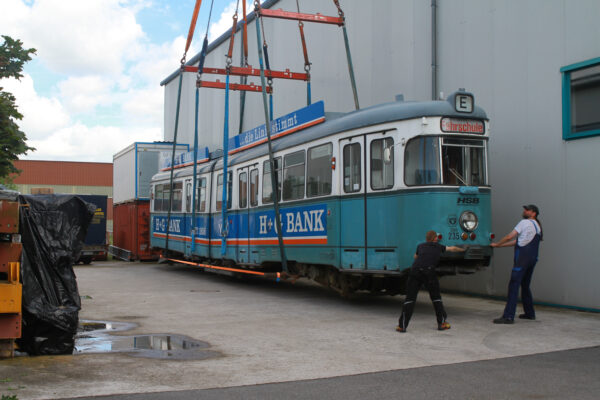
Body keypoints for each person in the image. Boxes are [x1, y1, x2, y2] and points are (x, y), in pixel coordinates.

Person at [396, 230, 466, 332]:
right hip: (428, 272)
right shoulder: (438, 246)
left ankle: (402, 326)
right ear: (435, 239)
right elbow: (453, 248)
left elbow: (415, 257)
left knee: (410, 299)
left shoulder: (420, 246)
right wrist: (463, 250)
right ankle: (441, 323)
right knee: (436, 298)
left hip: (415, 271)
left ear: (426, 238)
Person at [491, 204, 543, 324]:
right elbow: (519, 241)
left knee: (514, 285)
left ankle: (508, 316)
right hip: (532, 259)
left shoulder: (524, 223)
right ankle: (530, 313)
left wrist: (497, 243)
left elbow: (510, 236)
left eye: (527, 210)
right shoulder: (538, 226)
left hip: (522, 259)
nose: (524, 211)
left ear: (533, 213)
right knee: (525, 285)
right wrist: (499, 246)